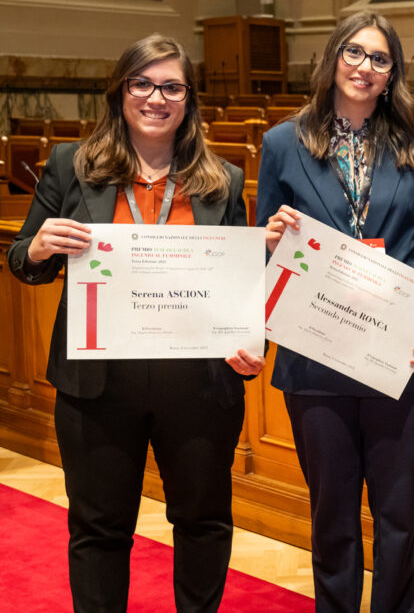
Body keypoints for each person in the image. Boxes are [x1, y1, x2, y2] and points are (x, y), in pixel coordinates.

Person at [6, 34, 263, 612]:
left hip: (198, 386)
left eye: (172, 86)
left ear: (189, 99)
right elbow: (21, 261)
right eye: (142, 83)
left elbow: (237, 284)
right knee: (99, 529)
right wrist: (40, 247)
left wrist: (248, 342)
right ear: (121, 91)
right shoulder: (72, 165)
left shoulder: (220, 177)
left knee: (203, 523)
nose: (156, 98)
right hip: (97, 384)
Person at [257, 10, 414, 612]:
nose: (365, 67)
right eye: (354, 53)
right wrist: (268, 237)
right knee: (332, 520)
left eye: (380, 58)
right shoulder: (282, 143)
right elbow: (266, 257)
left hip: (404, 356)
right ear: (333, 58)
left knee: (399, 521)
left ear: (393, 73)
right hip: (316, 362)